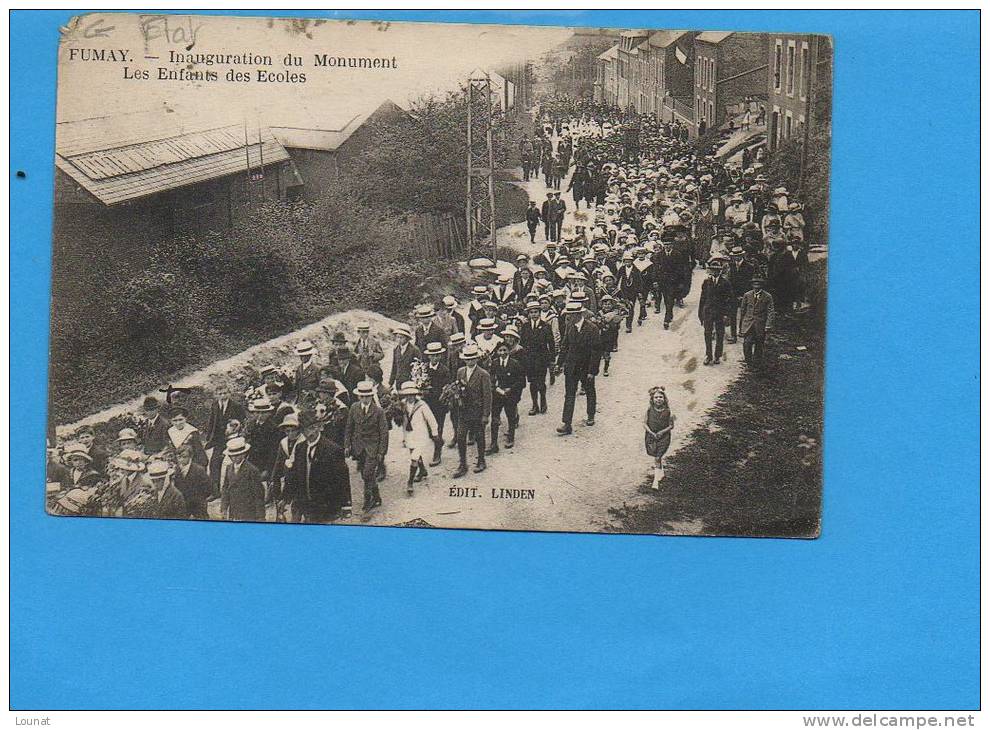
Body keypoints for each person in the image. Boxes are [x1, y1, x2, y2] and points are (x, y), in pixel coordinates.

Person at [286, 410, 350, 523]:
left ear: (318, 427)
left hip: (325, 506)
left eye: (313, 427)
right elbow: (295, 475)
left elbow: (342, 478)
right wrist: (286, 497)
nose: (311, 432)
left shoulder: (332, 449)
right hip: (306, 504)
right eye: (306, 429)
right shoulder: (300, 448)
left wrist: (346, 505)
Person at [555, 300, 601, 435]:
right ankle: (567, 423)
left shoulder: (592, 328)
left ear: (579, 314)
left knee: (589, 391)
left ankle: (591, 415)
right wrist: (559, 364)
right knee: (569, 394)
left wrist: (592, 371)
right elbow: (565, 346)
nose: (569, 317)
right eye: (568, 314)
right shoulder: (570, 326)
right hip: (571, 366)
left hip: (586, 367)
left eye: (572, 314)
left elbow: (596, 351)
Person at [344, 380, 390, 512]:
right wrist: (347, 445)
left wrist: (382, 452)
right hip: (358, 448)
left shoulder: (378, 411)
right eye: (362, 396)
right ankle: (377, 496)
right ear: (358, 396)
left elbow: (384, 433)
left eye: (367, 396)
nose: (365, 399)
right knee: (366, 474)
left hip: (373, 448)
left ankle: (368, 499)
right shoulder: (354, 408)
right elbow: (349, 428)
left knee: (368, 473)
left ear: (371, 396)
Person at [452, 343, 492, 478]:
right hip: (463, 411)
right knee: (460, 437)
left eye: (472, 358)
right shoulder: (460, 372)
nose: (469, 361)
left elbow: (487, 396)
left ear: (476, 359)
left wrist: (486, 414)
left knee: (479, 436)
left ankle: (481, 460)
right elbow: (457, 389)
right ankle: (463, 464)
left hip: (477, 411)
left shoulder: (483, 374)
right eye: (467, 358)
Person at [397, 381, 441, 495]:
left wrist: (435, 433)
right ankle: (422, 470)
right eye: (408, 395)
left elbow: (431, 419)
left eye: (412, 394)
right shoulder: (401, 404)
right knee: (414, 454)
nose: (410, 397)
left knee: (414, 458)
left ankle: (410, 483)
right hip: (409, 435)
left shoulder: (422, 405)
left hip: (420, 435)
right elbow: (398, 418)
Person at [487, 339, 525, 453]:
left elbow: (521, 381)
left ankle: (511, 437)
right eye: (500, 350)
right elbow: (491, 378)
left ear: (508, 351)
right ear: (497, 352)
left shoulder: (515, 364)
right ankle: (493, 443)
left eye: (505, 350)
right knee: (494, 418)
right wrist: (495, 387)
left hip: (510, 396)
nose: (502, 352)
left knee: (510, 416)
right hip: (497, 395)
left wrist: (511, 389)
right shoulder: (494, 363)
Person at [519, 300, 555, 415]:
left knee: (541, 382)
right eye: (531, 312)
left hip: (542, 359)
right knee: (532, 383)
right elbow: (523, 344)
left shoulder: (545, 326)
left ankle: (543, 400)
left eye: (536, 312)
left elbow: (551, 343)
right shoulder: (525, 327)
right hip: (529, 360)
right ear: (528, 314)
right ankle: (534, 404)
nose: (534, 314)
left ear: (539, 313)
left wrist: (552, 359)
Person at [219, 436, 265, 522]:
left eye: (237, 455)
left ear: (243, 454)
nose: (235, 458)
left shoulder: (252, 470)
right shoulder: (229, 468)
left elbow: (259, 495)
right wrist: (224, 508)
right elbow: (225, 489)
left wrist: (260, 517)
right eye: (232, 456)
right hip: (234, 510)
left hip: (249, 511)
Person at [204, 383, 246, 474]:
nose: (223, 395)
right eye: (220, 394)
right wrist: (209, 436)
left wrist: (236, 426)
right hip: (218, 439)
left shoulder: (236, 406)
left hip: (232, 438)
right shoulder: (215, 405)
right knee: (214, 464)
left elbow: (243, 420)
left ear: (229, 393)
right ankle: (215, 487)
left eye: (225, 393)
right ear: (216, 395)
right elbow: (211, 421)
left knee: (233, 462)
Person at [698, 261, 734, 365]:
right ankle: (708, 356)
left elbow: (729, 300)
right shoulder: (706, 282)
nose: (714, 272)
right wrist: (700, 314)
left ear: (720, 271)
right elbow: (702, 299)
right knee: (707, 334)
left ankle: (717, 355)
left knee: (720, 334)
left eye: (717, 270)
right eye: (712, 270)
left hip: (720, 312)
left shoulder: (725, 283)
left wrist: (727, 314)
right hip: (708, 312)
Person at [421, 341, 450, 466]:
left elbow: (444, 389)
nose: (434, 358)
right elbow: (419, 383)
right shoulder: (424, 368)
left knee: (437, 429)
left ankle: (437, 454)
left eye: (437, 355)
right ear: (428, 356)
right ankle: (439, 441)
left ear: (440, 356)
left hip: (439, 404)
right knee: (428, 429)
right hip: (427, 404)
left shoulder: (444, 370)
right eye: (432, 355)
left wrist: (430, 390)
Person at [738, 274, 775, 367]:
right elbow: (742, 311)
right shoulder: (747, 295)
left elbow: (771, 311)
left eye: (758, 284)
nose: (756, 286)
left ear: (762, 285)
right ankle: (748, 362)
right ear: (752, 285)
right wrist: (741, 325)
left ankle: (757, 363)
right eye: (754, 284)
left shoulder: (767, 296)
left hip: (760, 324)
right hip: (748, 323)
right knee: (747, 343)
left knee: (759, 343)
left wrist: (768, 325)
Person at [644, 386, 675, 490]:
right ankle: (661, 473)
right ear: (652, 399)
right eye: (656, 397)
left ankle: (655, 482)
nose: (658, 399)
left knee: (658, 457)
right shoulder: (649, 409)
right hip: (651, 436)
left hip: (663, 437)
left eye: (661, 397)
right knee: (656, 455)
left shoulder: (668, 411)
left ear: (664, 399)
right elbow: (644, 423)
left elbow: (671, 425)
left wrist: (662, 432)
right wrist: (651, 433)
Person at [172, 443, 212, 519]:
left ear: (190, 457)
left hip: (198, 504)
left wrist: (199, 498)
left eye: (184, 457)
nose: (181, 460)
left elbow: (208, 488)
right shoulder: (177, 470)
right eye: (179, 457)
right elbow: (177, 486)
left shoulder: (199, 470)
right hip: (184, 503)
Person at [387, 324, 422, 390]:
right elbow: (394, 367)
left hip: (410, 383)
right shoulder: (396, 349)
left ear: (407, 338)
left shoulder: (414, 350)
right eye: (398, 337)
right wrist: (391, 383)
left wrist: (416, 383)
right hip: (399, 382)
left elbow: (418, 368)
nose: (399, 340)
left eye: (401, 337)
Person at [616, 252, 644, 333]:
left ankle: (629, 325)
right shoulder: (622, 269)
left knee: (630, 307)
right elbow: (617, 278)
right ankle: (618, 322)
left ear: (632, 261)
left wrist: (639, 292)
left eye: (629, 261)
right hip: (623, 291)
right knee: (622, 307)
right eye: (626, 261)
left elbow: (640, 281)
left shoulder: (636, 270)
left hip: (633, 291)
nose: (627, 263)